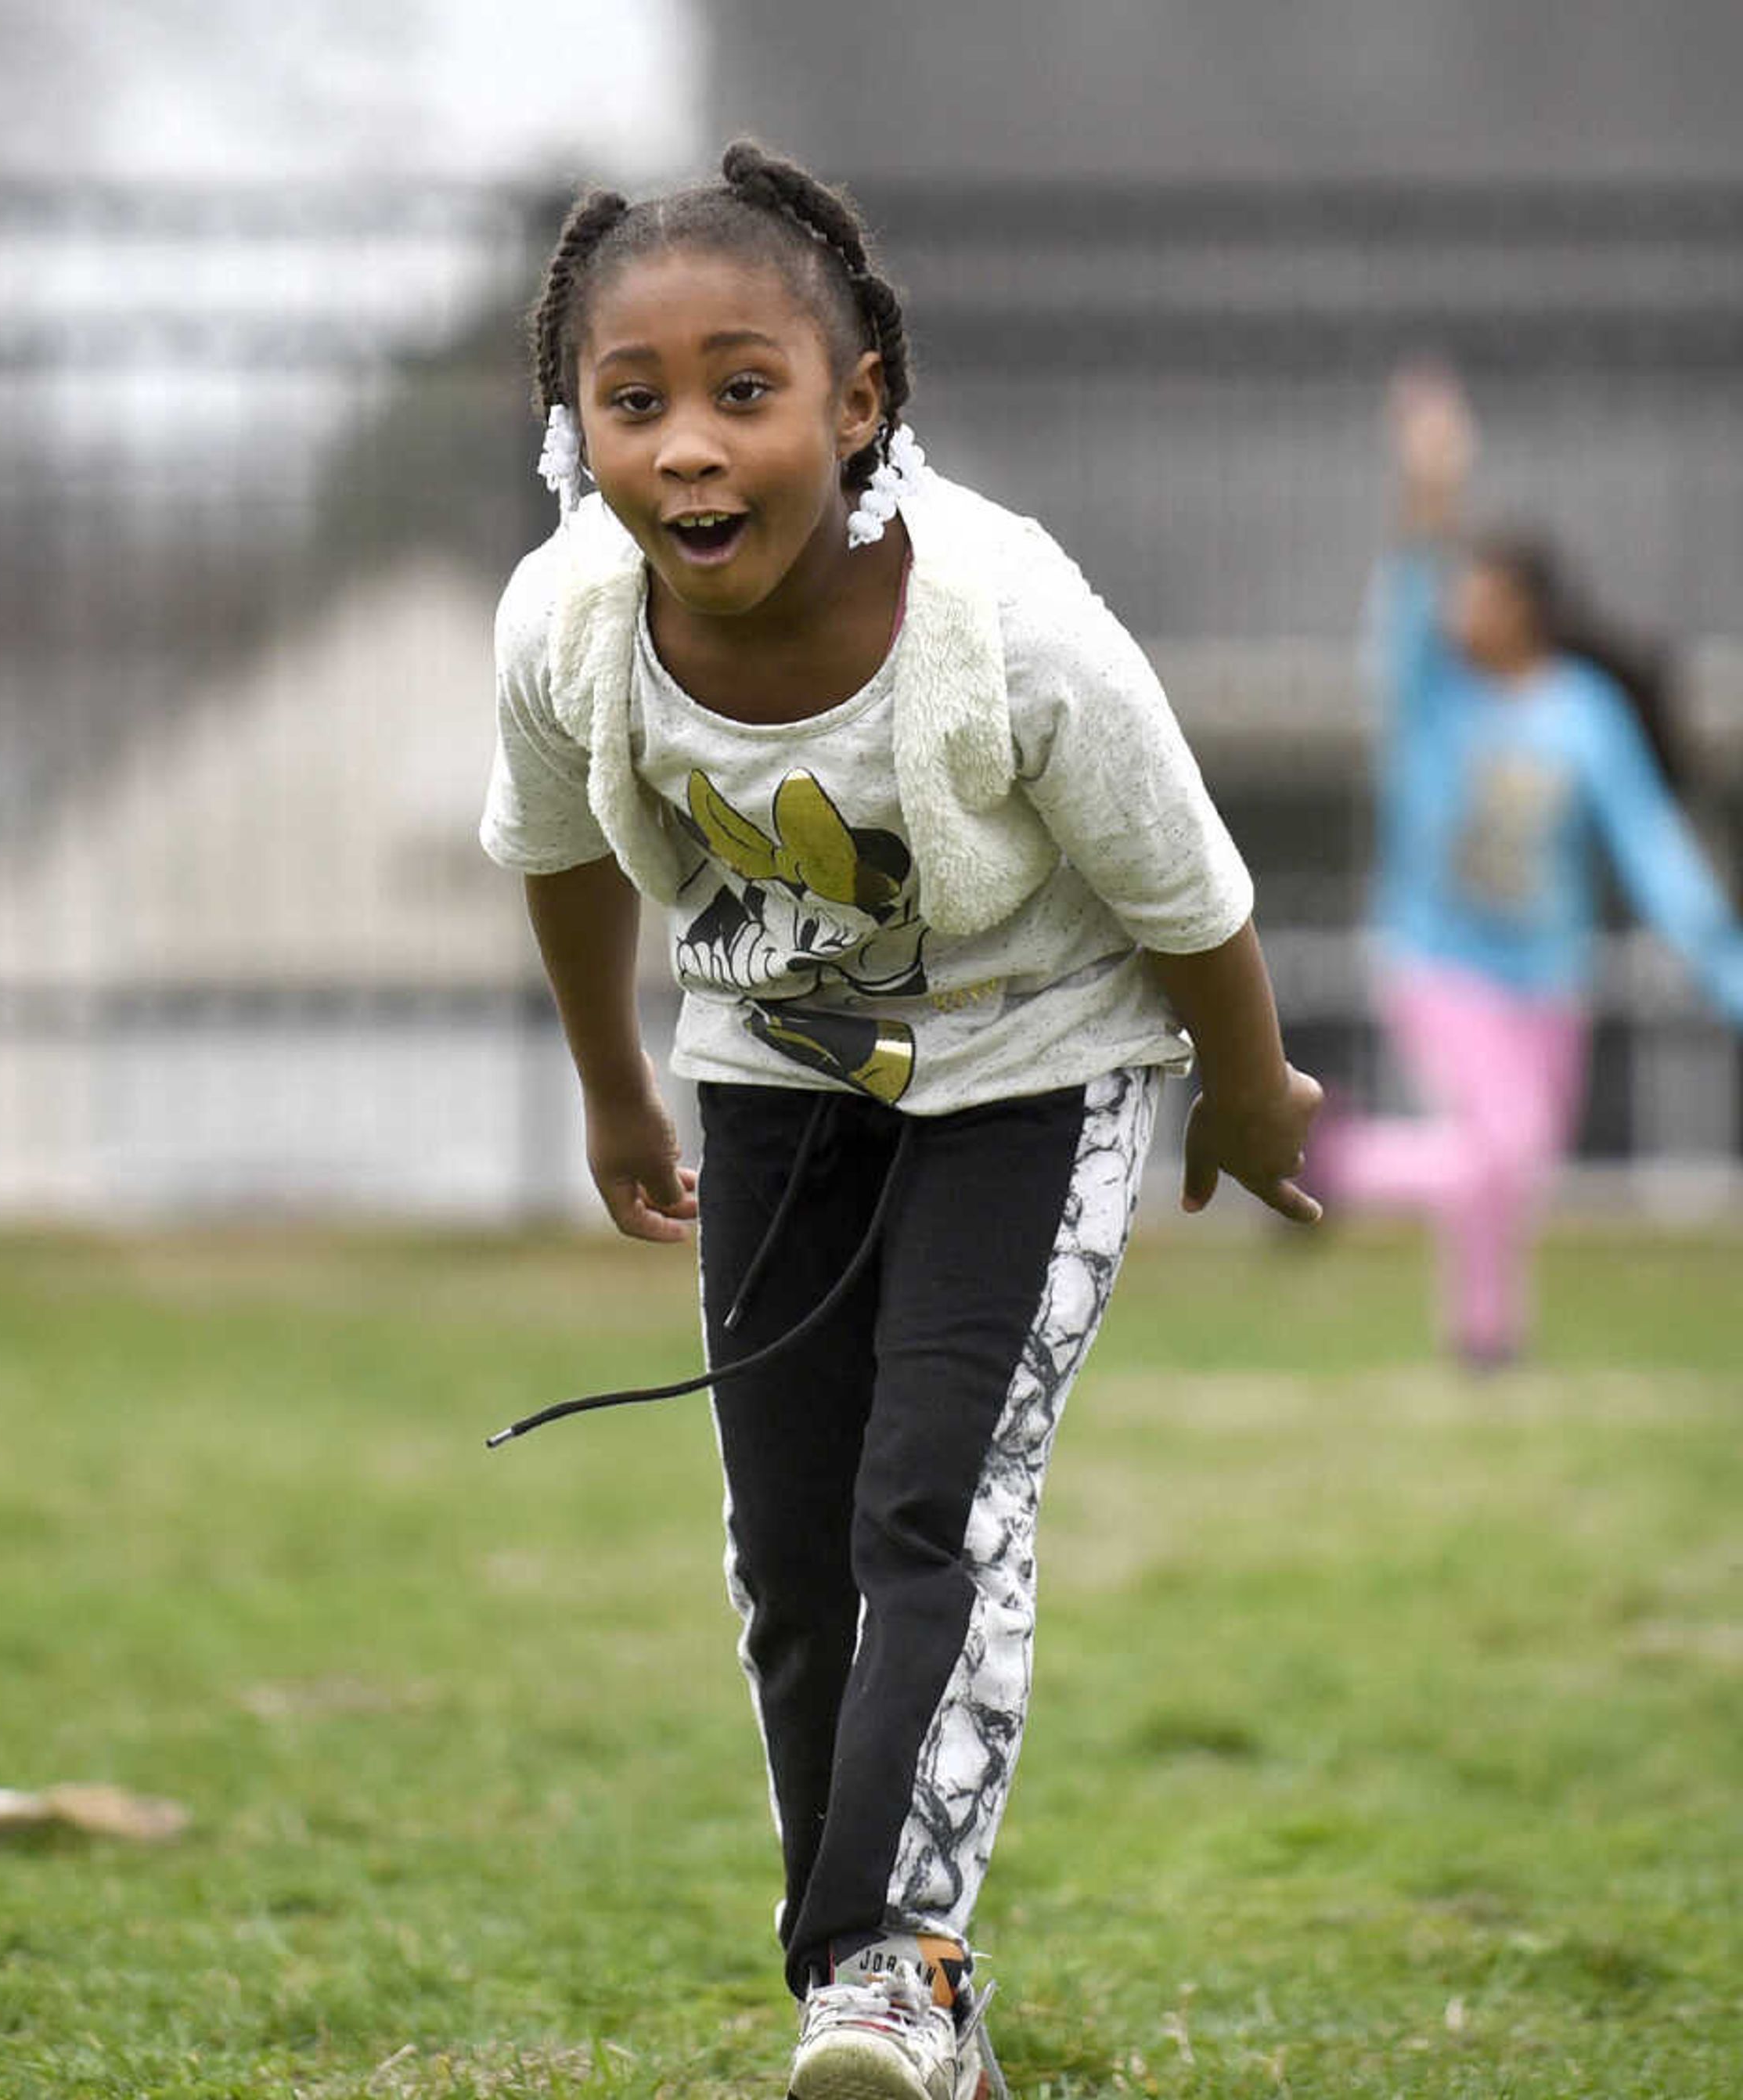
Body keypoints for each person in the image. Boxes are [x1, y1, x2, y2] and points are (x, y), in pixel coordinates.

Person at [477, 141, 1319, 2100]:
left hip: (1046, 1068)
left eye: (743, 392)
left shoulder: (1008, 628)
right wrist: (616, 1086)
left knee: (932, 1505)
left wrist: (1256, 1091)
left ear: (860, 405)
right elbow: (556, 859)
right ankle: (872, 1991)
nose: (688, 447)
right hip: (779, 1070)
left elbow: (1193, 892)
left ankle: (893, 1973)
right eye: (634, 400)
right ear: (572, 425)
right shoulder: (568, 628)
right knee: (787, 1555)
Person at [1309, 363, 1743, 1371]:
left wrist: (1722, 962)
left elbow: (1649, 845)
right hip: (1436, 960)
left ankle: (1486, 1337)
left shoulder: (1582, 713)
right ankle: (1333, 1162)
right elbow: (1415, 566)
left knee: (1517, 1167)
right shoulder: (1431, 692)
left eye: (1485, 594)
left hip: (1546, 977)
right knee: (1497, 1146)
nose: (1463, 606)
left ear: (1529, 611)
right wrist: (1430, 476)